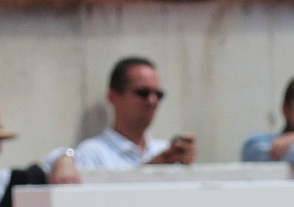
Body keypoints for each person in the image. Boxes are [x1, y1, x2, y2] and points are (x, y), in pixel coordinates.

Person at [59, 57, 196, 172]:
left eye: (158, 94)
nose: (152, 100)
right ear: (113, 97)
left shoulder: (165, 151)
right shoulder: (92, 153)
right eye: (142, 93)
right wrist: (151, 168)